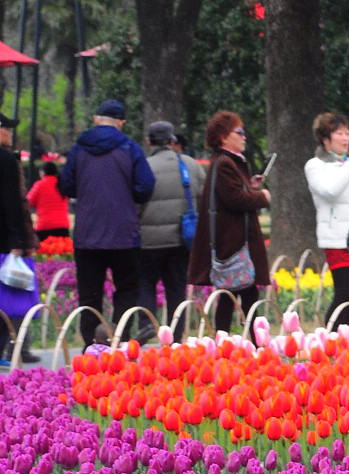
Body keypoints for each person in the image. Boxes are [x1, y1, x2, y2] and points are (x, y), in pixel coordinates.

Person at [58, 99, 155, 348]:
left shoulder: (79, 149)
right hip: (124, 234)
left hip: (87, 234)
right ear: (121, 123)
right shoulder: (130, 149)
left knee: (89, 294)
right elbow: (145, 187)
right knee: (126, 289)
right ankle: (120, 340)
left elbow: (66, 185)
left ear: (95, 119)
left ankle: (92, 344)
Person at [187, 110, 270, 336]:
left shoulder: (229, 162)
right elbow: (234, 199)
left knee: (232, 296)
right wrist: (262, 196)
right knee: (240, 296)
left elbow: (234, 193)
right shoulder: (225, 163)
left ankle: (228, 342)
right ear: (223, 137)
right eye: (239, 132)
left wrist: (250, 186)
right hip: (233, 246)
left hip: (233, 244)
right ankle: (250, 344)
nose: (244, 136)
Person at [138, 120, 205, 342]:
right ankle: (176, 337)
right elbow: (203, 199)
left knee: (146, 283)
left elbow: (136, 203)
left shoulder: (143, 167)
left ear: (149, 141)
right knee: (176, 288)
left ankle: (146, 323)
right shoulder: (191, 165)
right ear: (172, 140)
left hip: (148, 241)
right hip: (181, 238)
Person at [304, 111, 349, 330]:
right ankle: (330, 339)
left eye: (347, 133)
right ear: (326, 139)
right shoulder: (315, 166)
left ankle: (346, 342)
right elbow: (330, 191)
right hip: (336, 239)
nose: (346, 138)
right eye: (339, 133)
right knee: (345, 294)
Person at [0, 110, 39, 366]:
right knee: (4, 301)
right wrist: (18, 242)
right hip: (3, 239)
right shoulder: (5, 159)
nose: (10, 133)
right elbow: (12, 203)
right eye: (7, 128)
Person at [26, 160, 70, 241]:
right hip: (63, 226)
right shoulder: (62, 185)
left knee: (44, 252)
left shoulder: (39, 185)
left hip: (44, 226)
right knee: (62, 252)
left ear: (43, 172)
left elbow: (27, 204)